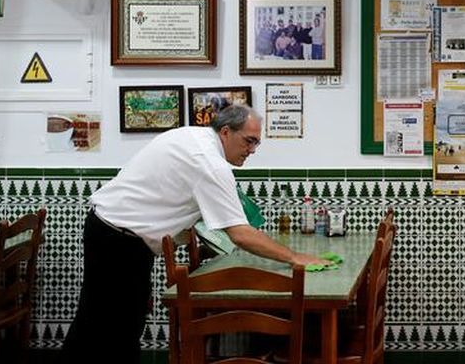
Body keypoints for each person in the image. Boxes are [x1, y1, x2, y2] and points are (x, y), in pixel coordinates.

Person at [60, 105, 330, 363]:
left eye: (256, 143)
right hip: (118, 239)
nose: (252, 150)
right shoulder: (210, 163)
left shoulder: (194, 136)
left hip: (117, 232)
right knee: (105, 327)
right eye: (248, 141)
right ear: (226, 132)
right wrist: (295, 257)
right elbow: (240, 234)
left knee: (116, 324)